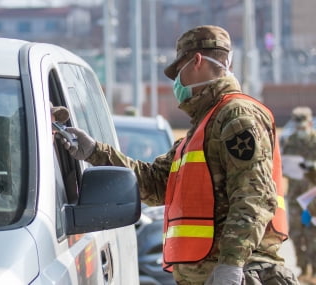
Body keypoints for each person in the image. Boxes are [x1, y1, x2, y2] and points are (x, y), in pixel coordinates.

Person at [58, 25, 298, 284]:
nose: (176, 83)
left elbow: (254, 196)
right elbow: (155, 182)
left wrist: (231, 265)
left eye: (178, 71)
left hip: (236, 274)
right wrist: (95, 151)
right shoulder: (204, 125)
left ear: (196, 61)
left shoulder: (237, 116)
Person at [282, 107, 316, 284]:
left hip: (313, 197)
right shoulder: (290, 142)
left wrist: (311, 169)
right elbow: (285, 168)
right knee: (295, 233)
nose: (300, 130)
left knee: (312, 233)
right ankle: (303, 267)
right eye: (297, 127)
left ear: (309, 123)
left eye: (303, 127)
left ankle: (314, 270)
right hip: (295, 196)